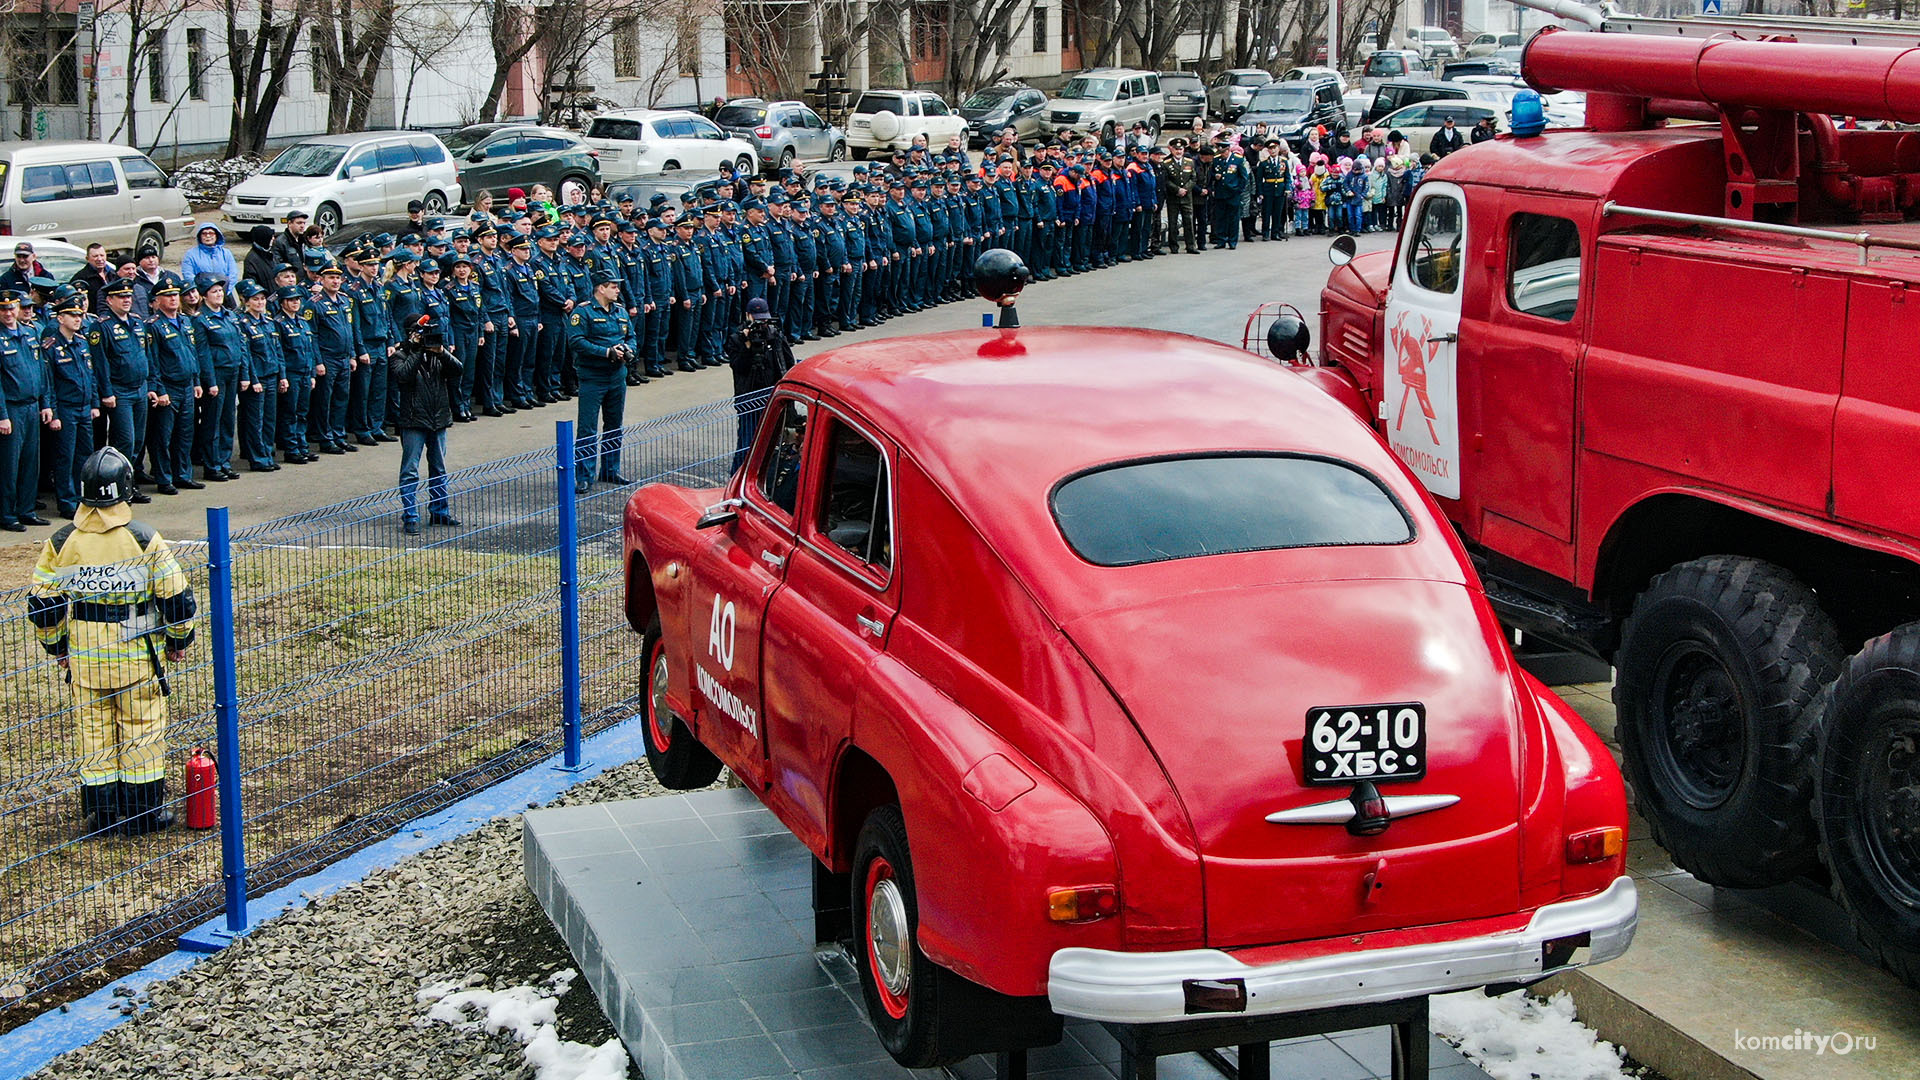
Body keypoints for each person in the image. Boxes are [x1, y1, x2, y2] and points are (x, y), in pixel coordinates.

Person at [28, 446, 197, 838]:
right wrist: (177, 641)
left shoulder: (61, 541)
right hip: (137, 653)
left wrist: (57, 648)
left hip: (85, 655)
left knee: (94, 731)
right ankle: (143, 814)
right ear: (125, 488)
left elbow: (44, 607)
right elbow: (176, 598)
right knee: (141, 729)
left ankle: (102, 816)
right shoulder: (143, 539)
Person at [565, 268, 636, 493]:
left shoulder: (620, 311)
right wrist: (606, 352)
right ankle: (584, 476)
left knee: (614, 425)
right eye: (613, 286)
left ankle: (610, 469)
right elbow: (576, 341)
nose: (617, 290)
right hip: (593, 377)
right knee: (587, 427)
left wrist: (629, 350)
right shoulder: (582, 313)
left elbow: (631, 336)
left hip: (617, 376)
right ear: (601, 288)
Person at [390, 315, 462, 535]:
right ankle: (410, 515)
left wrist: (440, 351)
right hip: (413, 421)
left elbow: (458, 369)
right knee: (410, 471)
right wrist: (417, 350)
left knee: (439, 468)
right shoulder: (400, 355)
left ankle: (440, 511)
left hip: (438, 418)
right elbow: (403, 375)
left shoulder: (438, 355)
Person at [41, 287, 98, 516]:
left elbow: (90, 375)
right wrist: (53, 413)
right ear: (60, 318)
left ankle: (81, 497)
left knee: (84, 455)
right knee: (65, 456)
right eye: (72, 315)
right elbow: (49, 382)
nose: (77, 319)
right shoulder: (51, 346)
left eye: (79, 315)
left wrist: (94, 403)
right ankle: (67, 501)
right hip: (65, 408)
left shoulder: (82, 343)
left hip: (83, 407)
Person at [0, 291, 51, 529]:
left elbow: (42, 372)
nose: (8, 314)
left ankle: (26, 509)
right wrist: (2, 415)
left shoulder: (30, 333)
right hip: (11, 408)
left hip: (32, 406)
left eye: (12, 309)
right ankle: (8, 514)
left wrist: (46, 403)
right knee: (10, 465)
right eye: (3, 309)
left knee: (31, 462)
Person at [179, 223, 240, 291]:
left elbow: (233, 274)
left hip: (225, 292)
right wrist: (202, 291)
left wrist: (226, 291)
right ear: (200, 236)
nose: (208, 236)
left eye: (211, 233)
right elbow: (188, 275)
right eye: (204, 233)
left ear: (217, 235)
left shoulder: (226, 253)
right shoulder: (190, 254)